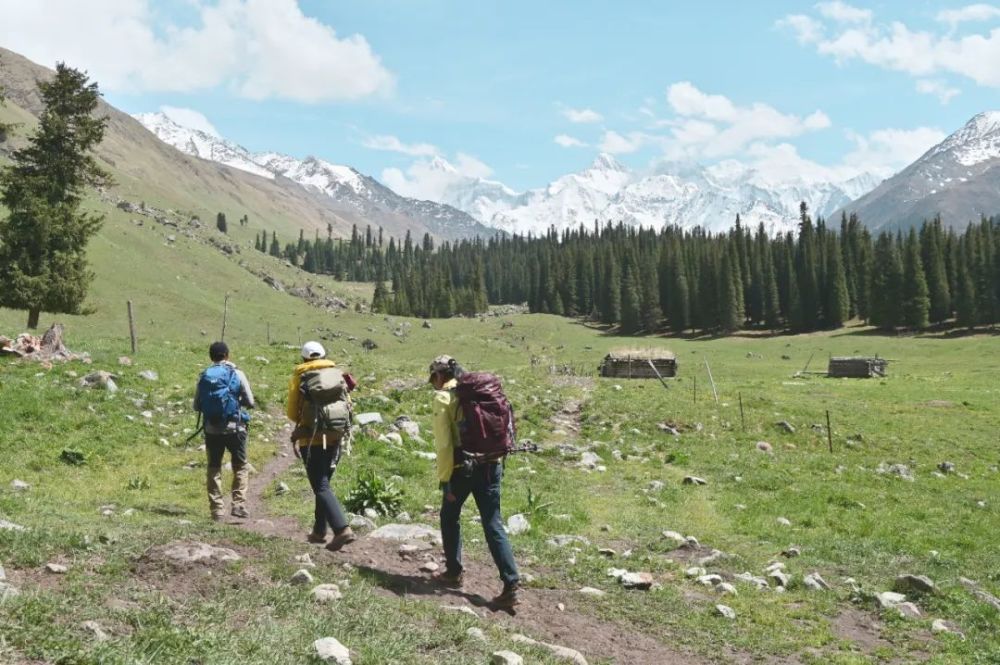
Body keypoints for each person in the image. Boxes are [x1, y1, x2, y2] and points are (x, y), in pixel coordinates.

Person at [428, 355, 520, 608]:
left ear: (439, 376)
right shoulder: (481, 392)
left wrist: (445, 479)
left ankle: (453, 572)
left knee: (449, 516)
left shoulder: (445, 398)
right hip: (491, 464)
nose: (432, 383)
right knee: (493, 522)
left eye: (433, 378)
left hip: (462, 469)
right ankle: (511, 582)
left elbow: (445, 444)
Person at [287, 341, 356, 551]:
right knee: (324, 483)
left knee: (321, 485)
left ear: (304, 358)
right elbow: (348, 403)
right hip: (335, 436)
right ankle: (319, 531)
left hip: (312, 438)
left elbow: (291, 412)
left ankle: (342, 528)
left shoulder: (300, 376)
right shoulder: (336, 374)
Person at [193, 341, 255, 521]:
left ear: (211, 357)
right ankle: (238, 504)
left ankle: (217, 510)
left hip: (212, 430)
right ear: (227, 355)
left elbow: (196, 406)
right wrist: (235, 402)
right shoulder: (237, 373)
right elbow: (250, 402)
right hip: (235, 428)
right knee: (241, 466)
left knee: (214, 468)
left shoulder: (204, 376)